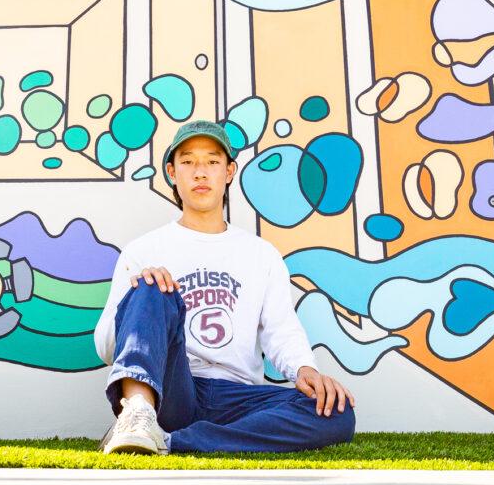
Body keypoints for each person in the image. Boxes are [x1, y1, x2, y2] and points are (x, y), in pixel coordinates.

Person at [93, 119, 356, 455]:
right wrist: (143, 304)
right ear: (172, 172)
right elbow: (106, 346)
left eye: (212, 162)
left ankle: (173, 442)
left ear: (229, 172)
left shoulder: (261, 254)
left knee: (336, 412)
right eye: (188, 162)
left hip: (239, 398)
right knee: (151, 286)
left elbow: (281, 329)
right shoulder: (143, 250)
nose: (200, 173)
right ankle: (138, 416)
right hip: (174, 390)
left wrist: (305, 369)